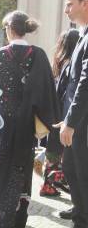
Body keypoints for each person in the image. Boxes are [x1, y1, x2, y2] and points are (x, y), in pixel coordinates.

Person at [0, 10, 59, 228]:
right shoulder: (38, 54)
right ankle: (16, 221)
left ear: (8, 29)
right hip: (27, 121)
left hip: (1, 121)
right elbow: (47, 90)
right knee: (21, 167)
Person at [53, 0, 88, 228]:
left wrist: (72, 122)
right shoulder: (82, 34)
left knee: (83, 176)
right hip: (77, 123)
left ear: (85, 4)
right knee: (75, 174)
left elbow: (85, 84)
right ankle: (80, 227)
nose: (66, 9)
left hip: (83, 126)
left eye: (69, 4)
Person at [39, 29, 79, 198]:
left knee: (53, 151)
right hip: (64, 114)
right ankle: (56, 177)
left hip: (54, 113)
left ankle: (47, 185)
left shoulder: (58, 62)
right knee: (65, 153)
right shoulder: (72, 64)